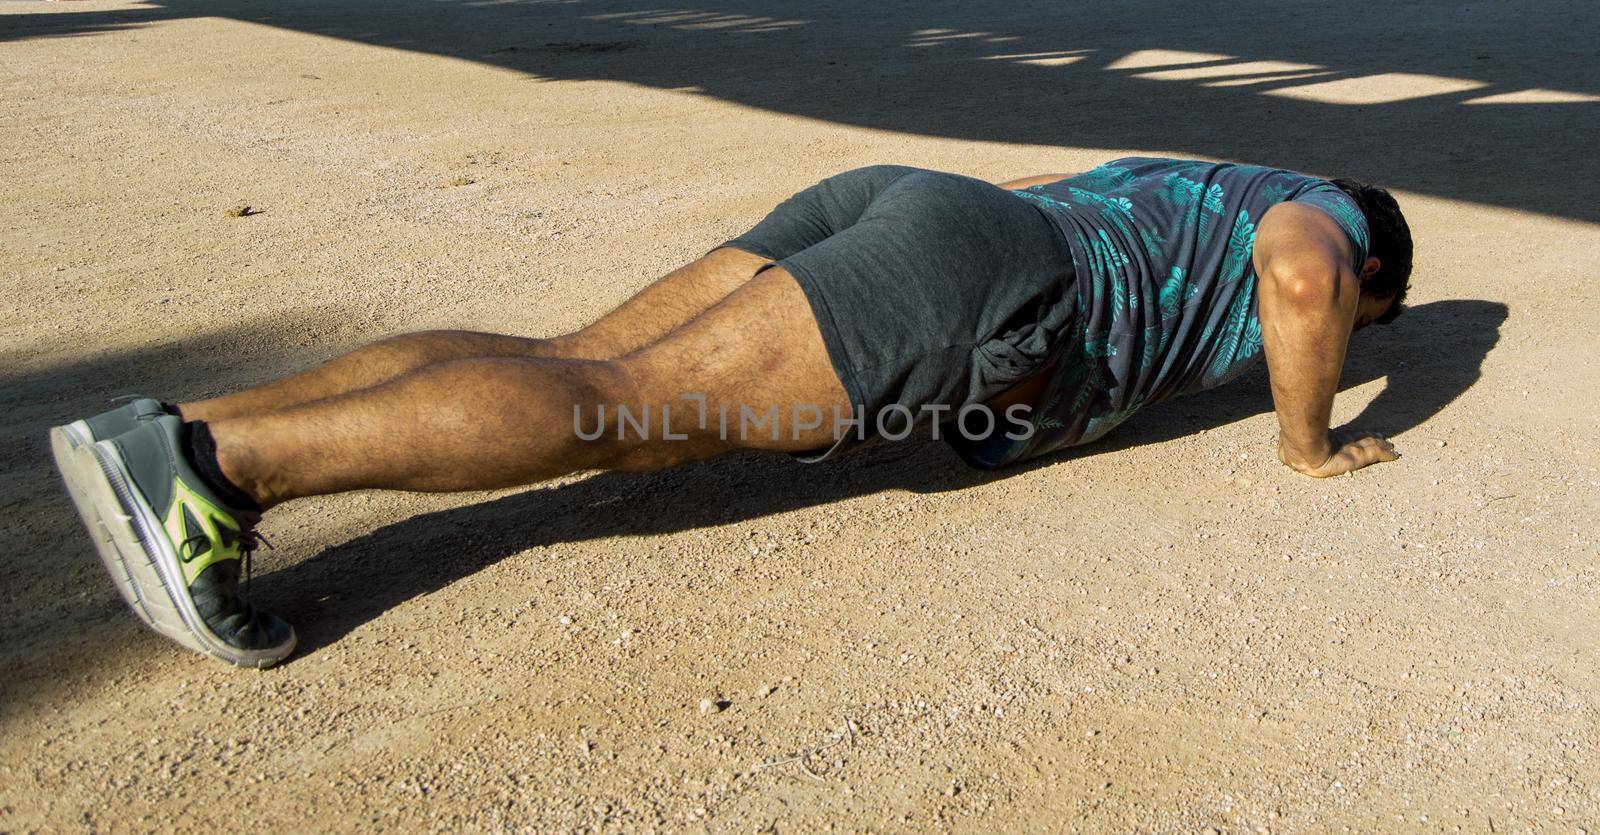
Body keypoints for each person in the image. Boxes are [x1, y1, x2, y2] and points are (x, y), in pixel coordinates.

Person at [50, 157, 1412, 668]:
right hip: (982, 276)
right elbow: (1302, 278)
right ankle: (210, 472)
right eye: (1371, 314)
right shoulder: (1324, 214)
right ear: (1379, 267)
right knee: (619, 407)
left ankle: (174, 422)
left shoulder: (1205, 176)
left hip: (915, 207)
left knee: (570, 356)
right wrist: (1308, 442)